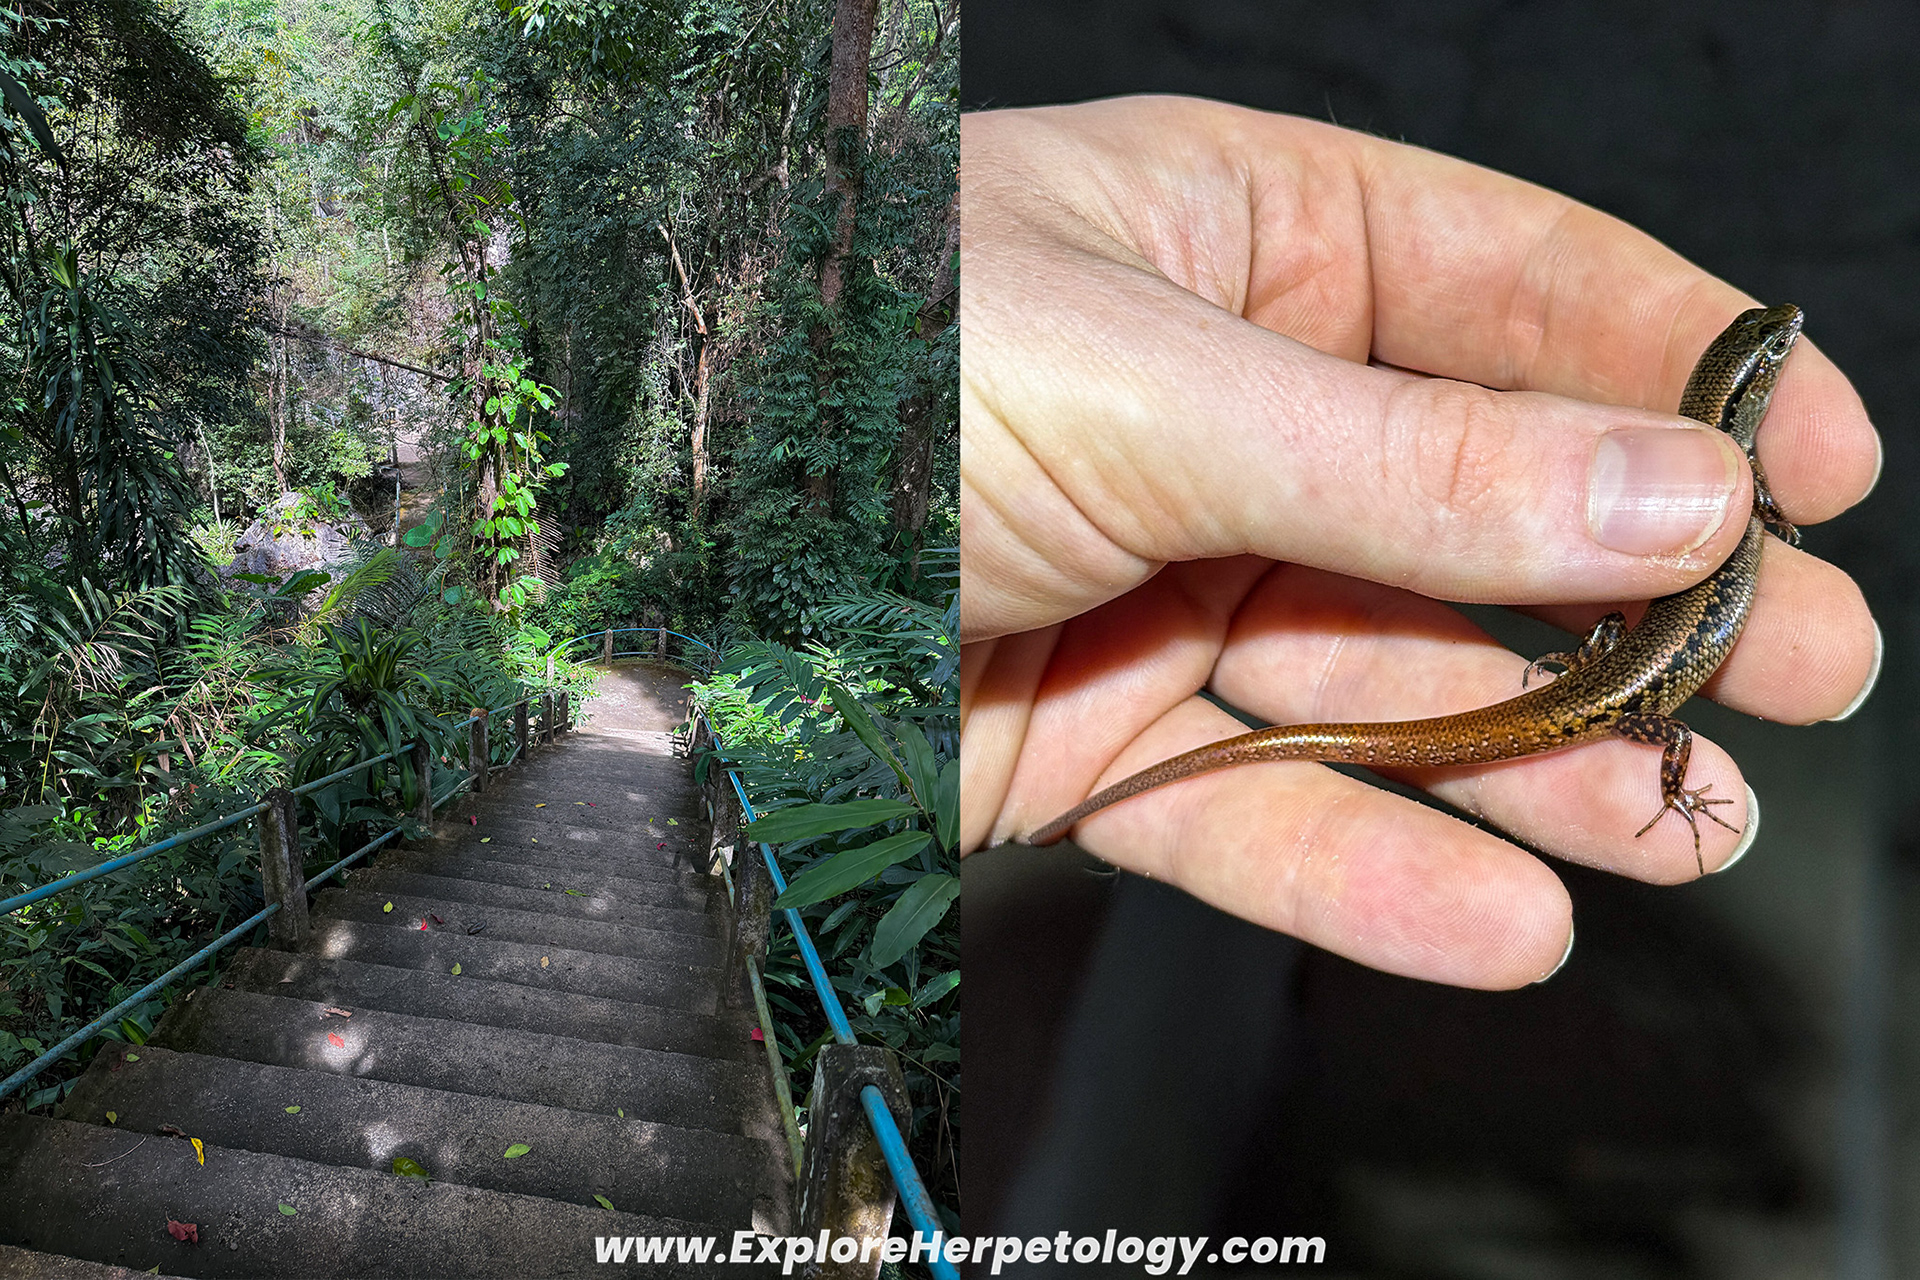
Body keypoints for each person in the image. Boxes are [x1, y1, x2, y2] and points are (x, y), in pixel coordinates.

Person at [959, 96, 1882, 990]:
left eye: (1769, 348)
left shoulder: (1724, 462)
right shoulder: (1725, 465)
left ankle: (1608, 682)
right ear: (1741, 393)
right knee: (1669, 734)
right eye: (1768, 351)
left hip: (1620, 671)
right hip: (1623, 694)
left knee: (1639, 647)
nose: (1783, 343)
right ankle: (1670, 781)